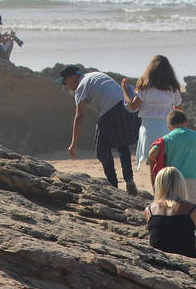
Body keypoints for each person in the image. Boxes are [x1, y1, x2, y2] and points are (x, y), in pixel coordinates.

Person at [58, 64, 140, 195]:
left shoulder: (81, 86)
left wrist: (73, 144)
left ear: (73, 77)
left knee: (101, 150)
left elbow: (79, 116)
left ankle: (113, 186)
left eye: (64, 81)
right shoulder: (95, 75)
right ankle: (129, 179)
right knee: (122, 144)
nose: (65, 85)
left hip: (110, 110)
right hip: (126, 106)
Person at [147, 110, 196, 222]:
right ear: (186, 123)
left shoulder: (167, 139)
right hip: (195, 180)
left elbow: (151, 154)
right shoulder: (195, 135)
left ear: (169, 126)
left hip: (174, 182)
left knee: (177, 213)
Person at [121, 55, 182, 176]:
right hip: (167, 128)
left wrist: (124, 90)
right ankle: (168, 191)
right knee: (167, 165)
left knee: (154, 165)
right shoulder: (172, 88)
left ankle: (157, 193)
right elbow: (179, 109)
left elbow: (132, 106)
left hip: (149, 128)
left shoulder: (145, 87)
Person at [145, 166, 196, 260]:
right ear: (181, 184)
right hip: (186, 260)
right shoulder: (193, 210)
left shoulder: (149, 210)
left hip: (159, 260)